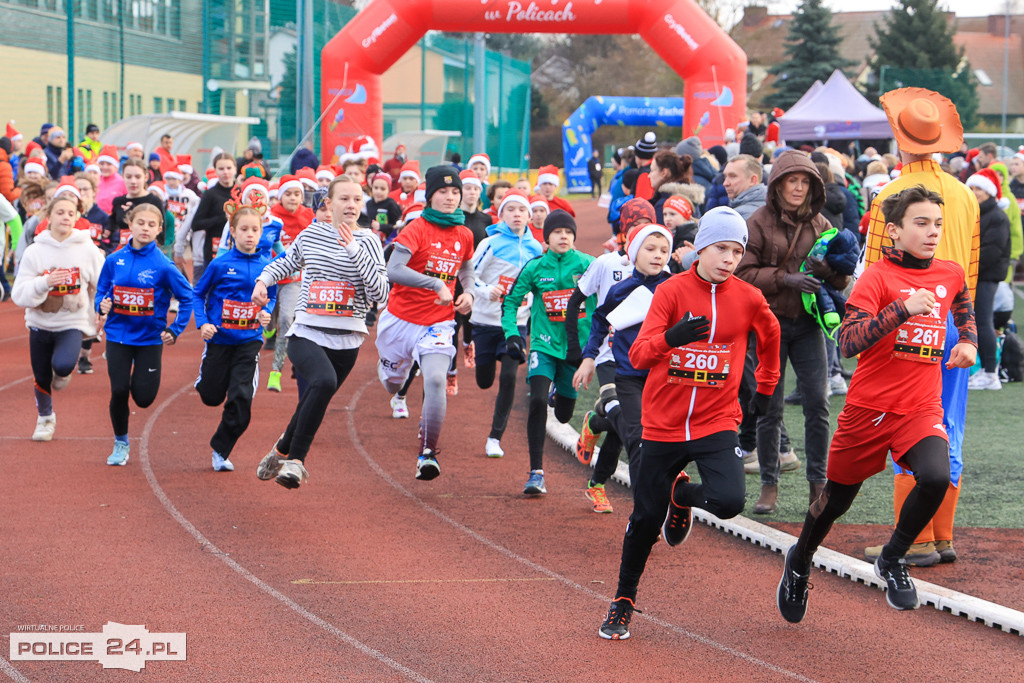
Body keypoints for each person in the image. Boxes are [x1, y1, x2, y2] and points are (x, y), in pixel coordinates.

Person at [777, 185, 977, 623]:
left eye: (938, 224)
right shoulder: (876, 278)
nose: (933, 232)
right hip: (868, 410)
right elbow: (848, 343)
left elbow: (963, 303)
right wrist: (901, 309)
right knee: (834, 502)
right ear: (895, 231)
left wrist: (968, 341)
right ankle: (800, 559)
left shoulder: (949, 272)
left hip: (921, 407)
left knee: (936, 475)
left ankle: (893, 557)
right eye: (921, 223)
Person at [598, 207, 781, 640]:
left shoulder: (749, 298)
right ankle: (623, 599)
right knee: (646, 519)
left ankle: (681, 496)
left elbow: (771, 337)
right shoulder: (671, 291)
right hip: (662, 423)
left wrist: (767, 387)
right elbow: (639, 355)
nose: (729, 259)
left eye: (737, 252)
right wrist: (672, 338)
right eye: (721, 249)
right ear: (700, 248)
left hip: (716, 420)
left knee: (729, 501)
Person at [861, 88, 980, 566]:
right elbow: (972, 268)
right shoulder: (965, 193)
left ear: (900, 139)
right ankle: (941, 536)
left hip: (907, 318)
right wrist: (968, 331)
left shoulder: (890, 196)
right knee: (948, 425)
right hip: (955, 317)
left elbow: (876, 269)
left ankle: (914, 539)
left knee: (906, 426)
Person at [736, 150, 850, 514]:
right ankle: (769, 485)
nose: (798, 188)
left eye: (805, 182)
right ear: (778, 185)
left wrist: (827, 271)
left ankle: (818, 485)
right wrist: (788, 279)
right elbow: (742, 273)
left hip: (807, 324)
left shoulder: (820, 223)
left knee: (818, 403)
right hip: (768, 324)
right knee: (769, 407)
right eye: (792, 181)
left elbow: (841, 280)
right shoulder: (757, 221)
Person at [375, 165, 475, 481]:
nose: (450, 197)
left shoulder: (464, 233)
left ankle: (427, 454)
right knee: (393, 384)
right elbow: (394, 269)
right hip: (399, 321)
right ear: (430, 196)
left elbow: (466, 269)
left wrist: (469, 293)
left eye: (455, 192)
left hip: (438, 323)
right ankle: (393, 373)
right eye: (443, 192)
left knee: (434, 380)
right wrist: (435, 283)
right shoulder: (416, 228)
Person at [572, 221, 674, 515]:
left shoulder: (674, 286)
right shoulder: (621, 289)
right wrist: (589, 357)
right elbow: (599, 320)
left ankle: (597, 431)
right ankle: (645, 512)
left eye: (664, 250)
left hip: (661, 376)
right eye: (650, 248)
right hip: (625, 372)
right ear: (633, 251)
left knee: (629, 433)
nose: (658, 255)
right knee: (636, 437)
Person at [502, 210, 593, 495]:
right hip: (543, 345)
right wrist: (512, 334)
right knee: (538, 400)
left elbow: (612, 297)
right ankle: (536, 473)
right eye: (557, 232)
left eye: (568, 232)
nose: (563, 236)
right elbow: (510, 302)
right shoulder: (535, 267)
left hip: (576, 351)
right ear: (547, 237)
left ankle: (561, 396)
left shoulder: (589, 265)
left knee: (564, 415)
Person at [95, 203, 193, 466]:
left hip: (149, 339)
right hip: (118, 336)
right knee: (118, 390)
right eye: (141, 223)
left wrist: (175, 328)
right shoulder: (114, 260)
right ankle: (121, 442)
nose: (145, 228)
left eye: (152, 225)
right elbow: (101, 290)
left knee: (144, 398)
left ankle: (139, 382)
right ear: (130, 224)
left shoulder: (164, 266)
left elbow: (188, 298)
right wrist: (101, 304)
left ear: (160, 229)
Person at [192, 194, 277, 472]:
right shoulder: (219, 264)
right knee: (211, 396)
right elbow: (198, 294)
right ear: (233, 231)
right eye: (244, 229)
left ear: (261, 233)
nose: (250, 235)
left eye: (255, 229)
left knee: (242, 399)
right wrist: (203, 323)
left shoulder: (268, 266)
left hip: (249, 341)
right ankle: (205, 380)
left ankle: (221, 449)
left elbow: (272, 296)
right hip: (219, 338)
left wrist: (266, 312)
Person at [12, 191, 106, 441]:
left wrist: (102, 310)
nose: (65, 217)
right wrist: (45, 283)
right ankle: (45, 419)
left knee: (62, 365)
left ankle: (63, 372)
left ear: (76, 218)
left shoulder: (87, 250)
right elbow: (19, 294)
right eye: (60, 212)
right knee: (41, 375)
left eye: (71, 213)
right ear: (49, 216)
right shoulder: (35, 251)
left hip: (71, 322)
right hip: (39, 323)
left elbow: (103, 284)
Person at [469, 189, 543, 458]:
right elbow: (469, 275)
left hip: (515, 323)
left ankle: (495, 437)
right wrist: (486, 290)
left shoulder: (536, 249)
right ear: (501, 214)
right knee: (484, 381)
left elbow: (538, 284)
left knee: (510, 376)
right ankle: (479, 357)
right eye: (510, 209)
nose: (517, 215)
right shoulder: (490, 243)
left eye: (522, 210)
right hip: (485, 321)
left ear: (529, 215)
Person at [266, 174, 314, 392]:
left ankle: (276, 370)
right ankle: (269, 329)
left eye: (297, 194)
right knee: (270, 319)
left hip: (294, 279)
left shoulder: (309, 216)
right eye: (288, 194)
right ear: (280, 196)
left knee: (286, 319)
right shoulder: (271, 217)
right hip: (270, 276)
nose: (293, 198)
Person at [964, 169, 1011, 391]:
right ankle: (985, 370)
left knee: (983, 322)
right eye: (972, 188)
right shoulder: (977, 213)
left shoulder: (997, 216)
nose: (975, 192)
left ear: (990, 192)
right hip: (977, 275)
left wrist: (969, 269)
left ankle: (991, 373)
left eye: (979, 189)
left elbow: (992, 251)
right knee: (977, 322)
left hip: (985, 277)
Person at [178, 152, 236, 281]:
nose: (225, 172)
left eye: (229, 168)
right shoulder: (210, 195)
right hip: (214, 251)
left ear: (235, 169)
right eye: (221, 169)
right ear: (215, 171)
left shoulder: (240, 192)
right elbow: (196, 224)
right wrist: (220, 218)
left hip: (238, 249)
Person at [104, 159, 166, 253]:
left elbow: (161, 235)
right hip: (124, 251)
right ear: (123, 177)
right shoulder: (119, 201)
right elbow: (113, 220)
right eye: (128, 177)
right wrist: (108, 229)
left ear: (146, 177)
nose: (133, 181)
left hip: (146, 252)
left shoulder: (154, 201)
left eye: (138, 177)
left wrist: (135, 212)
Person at [366, 171, 402, 240]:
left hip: (389, 241)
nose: (378, 191)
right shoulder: (369, 204)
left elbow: (398, 226)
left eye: (383, 189)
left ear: (388, 190)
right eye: (376, 188)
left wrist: (381, 227)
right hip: (373, 239)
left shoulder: (391, 204)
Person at [95, 146, 126, 215]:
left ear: (115, 166)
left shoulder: (122, 182)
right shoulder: (95, 181)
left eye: (109, 164)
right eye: (102, 164)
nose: (104, 167)